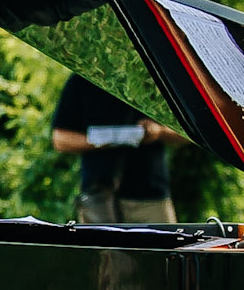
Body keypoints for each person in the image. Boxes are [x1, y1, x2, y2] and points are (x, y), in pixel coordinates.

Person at [50, 75, 186, 223]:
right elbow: (60, 139)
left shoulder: (151, 78)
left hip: (150, 196)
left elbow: (187, 134)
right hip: (98, 198)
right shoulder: (81, 79)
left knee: (163, 246)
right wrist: (101, 141)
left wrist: (160, 132)